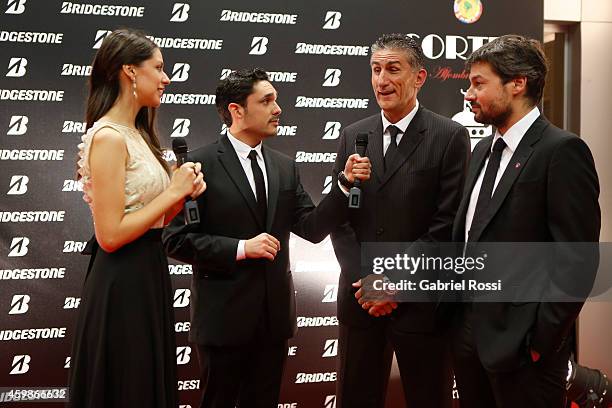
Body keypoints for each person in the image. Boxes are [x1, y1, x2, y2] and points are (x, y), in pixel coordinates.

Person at [161, 68, 370, 408]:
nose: (278, 109)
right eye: (267, 100)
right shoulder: (198, 165)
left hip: (273, 323)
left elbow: (312, 228)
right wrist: (242, 248)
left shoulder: (284, 166)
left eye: (276, 100)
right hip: (223, 322)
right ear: (236, 110)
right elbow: (176, 240)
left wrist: (344, 186)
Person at [451, 34, 600, 408]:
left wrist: (540, 342)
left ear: (518, 83)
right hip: (469, 337)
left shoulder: (561, 151)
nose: (469, 94)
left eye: (478, 83)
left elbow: (577, 261)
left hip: (525, 350)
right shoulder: (483, 148)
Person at [330, 33, 470, 408]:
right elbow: (338, 218)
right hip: (361, 300)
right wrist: (369, 283)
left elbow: (446, 224)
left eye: (393, 69)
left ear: (419, 77)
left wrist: (394, 281)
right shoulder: (352, 135)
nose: (381, 80)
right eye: (375, 70)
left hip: (420, 305)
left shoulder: (449, 136)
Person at [68, 28, 206, 408]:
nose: (167, 78)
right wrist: (174, 192)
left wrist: (180, 197)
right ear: (130, 72)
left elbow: (150, 217)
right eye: (158, 68)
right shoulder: (109, 137)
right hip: (121, 279)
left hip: (146, 271)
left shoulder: (138, 134)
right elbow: (110, 234)